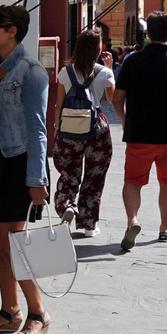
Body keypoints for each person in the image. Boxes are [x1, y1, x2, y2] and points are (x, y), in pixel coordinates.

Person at [0, 5, 51, 334]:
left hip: (17, 165)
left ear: (13, 32)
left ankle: (38, 313)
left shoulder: (31, 72)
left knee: (14, 244)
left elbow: (38, 130)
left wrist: (37, 179)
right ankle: (10, 312)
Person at [108, 12, 167, 252]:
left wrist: (125, 121)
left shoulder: (132, 61)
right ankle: (164, 229)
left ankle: (133, 220)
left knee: (132, 182)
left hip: (139, 134)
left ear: (148, 33)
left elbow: (117, 98)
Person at [51, 29, 121, 240]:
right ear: (99, 49)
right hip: (96, 130)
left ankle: (66, 206)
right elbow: (111, 98)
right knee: (94, 176)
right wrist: (109, 70)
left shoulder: (65, 72)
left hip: (69, 129)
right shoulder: (104, 72)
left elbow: (59, 104)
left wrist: (57, 126)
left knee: (68, 172)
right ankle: (89, 225)